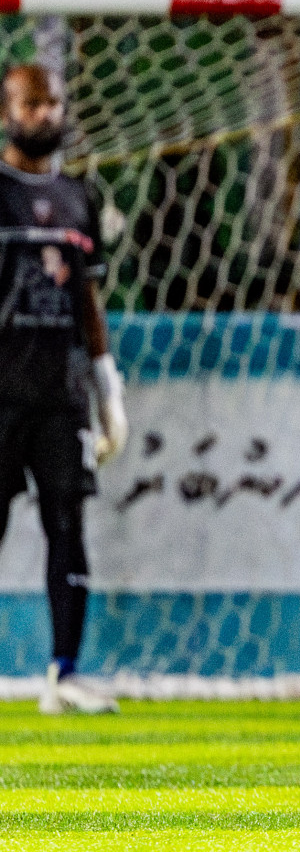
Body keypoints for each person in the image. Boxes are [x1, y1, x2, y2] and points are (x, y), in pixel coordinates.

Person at [0, 64, 129, 715]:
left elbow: (88, 297)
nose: (45, 113)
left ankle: (65, 674)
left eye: (52, 102)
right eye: (31, 103)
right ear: (6, 111)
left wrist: (109, 390)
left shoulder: (80, 198)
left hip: (61, 396)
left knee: (68, 527)